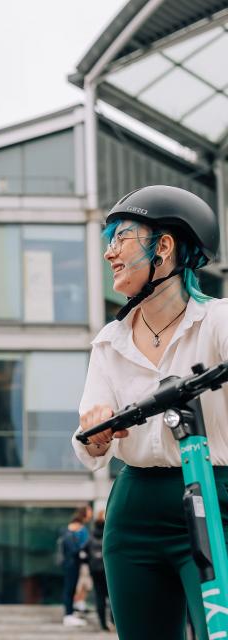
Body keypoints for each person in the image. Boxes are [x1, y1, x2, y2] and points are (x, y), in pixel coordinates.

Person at [73, 185, 226, 640]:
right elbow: (88, 448)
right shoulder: (110, 342)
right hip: (135, 505)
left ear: (164, 246)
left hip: (215, 494)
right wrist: (94, 434)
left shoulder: (217, 322)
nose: (109, 253)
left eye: (121, 237)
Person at [59, 505, 92, 627]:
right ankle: (68, 615)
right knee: (70, 589)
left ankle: (70, 613)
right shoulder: (70, 533)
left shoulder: (70, 532)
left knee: (72, 589)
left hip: (72, 563)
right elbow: (74, 549)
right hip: (71, 564)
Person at [84, 510, 112, 631]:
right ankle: (113, 620)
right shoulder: (109, 534)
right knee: (112, 595)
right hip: (108, 569)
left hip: (95, 570)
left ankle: (103, 624)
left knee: (99, 595)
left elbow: (84, 552)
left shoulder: (90, 536)